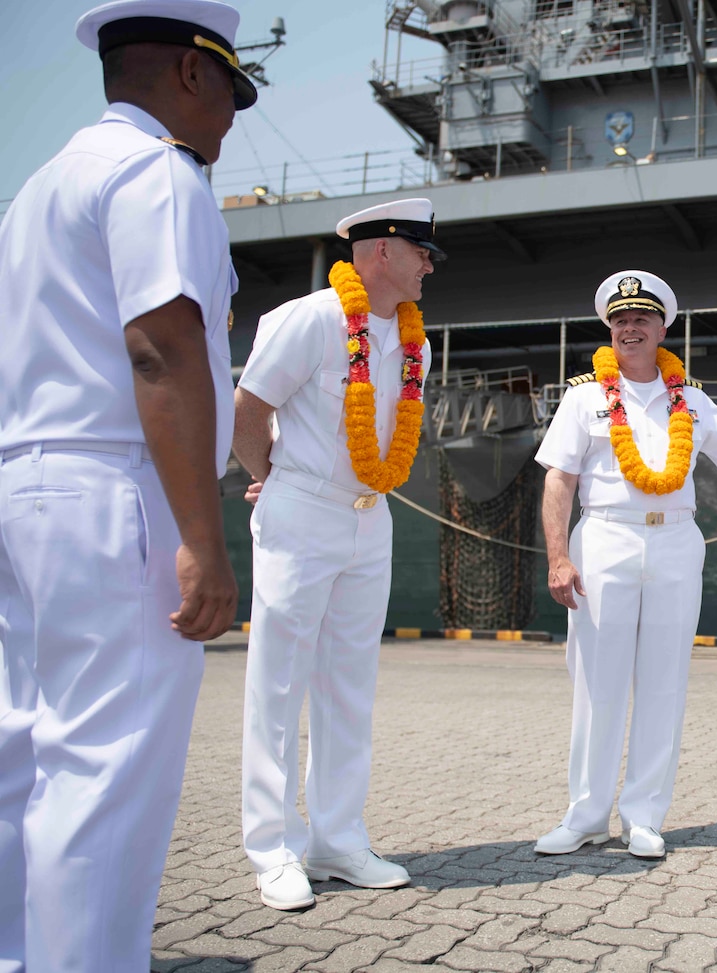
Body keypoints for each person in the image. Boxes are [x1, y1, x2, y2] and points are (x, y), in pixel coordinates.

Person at [0, 0, 255, 967]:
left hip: (26, 483)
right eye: (230, 90)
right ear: (192, 73)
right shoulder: (157, 172)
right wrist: (203, 536)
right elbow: (161, 348)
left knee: (25, 747)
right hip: (117, 487)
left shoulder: (38, 187)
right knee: (106, 769)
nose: (232, 114)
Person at [534, 271, 717, 860]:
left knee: (664, 683)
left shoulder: (693, 398)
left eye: (641, 319)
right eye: (620, 320)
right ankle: (584, 816)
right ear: (610, 328)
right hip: (604, 538)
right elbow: (559, 477)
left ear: (663, 328)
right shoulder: (584, 396)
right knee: (596, 684)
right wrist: (558, 557)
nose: (629, 328)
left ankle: (644, 817)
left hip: (677, 543)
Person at [232, 198, 441, 910]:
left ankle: (337, 838)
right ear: (382, 251)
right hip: (302, 508)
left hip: (369, 516)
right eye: (421, 252)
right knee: (279, 680)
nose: (429, 266)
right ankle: (273, 846)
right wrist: (268, 478)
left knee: (349, 683)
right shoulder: (310, 318)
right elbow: (248, 407)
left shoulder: (418, 341)